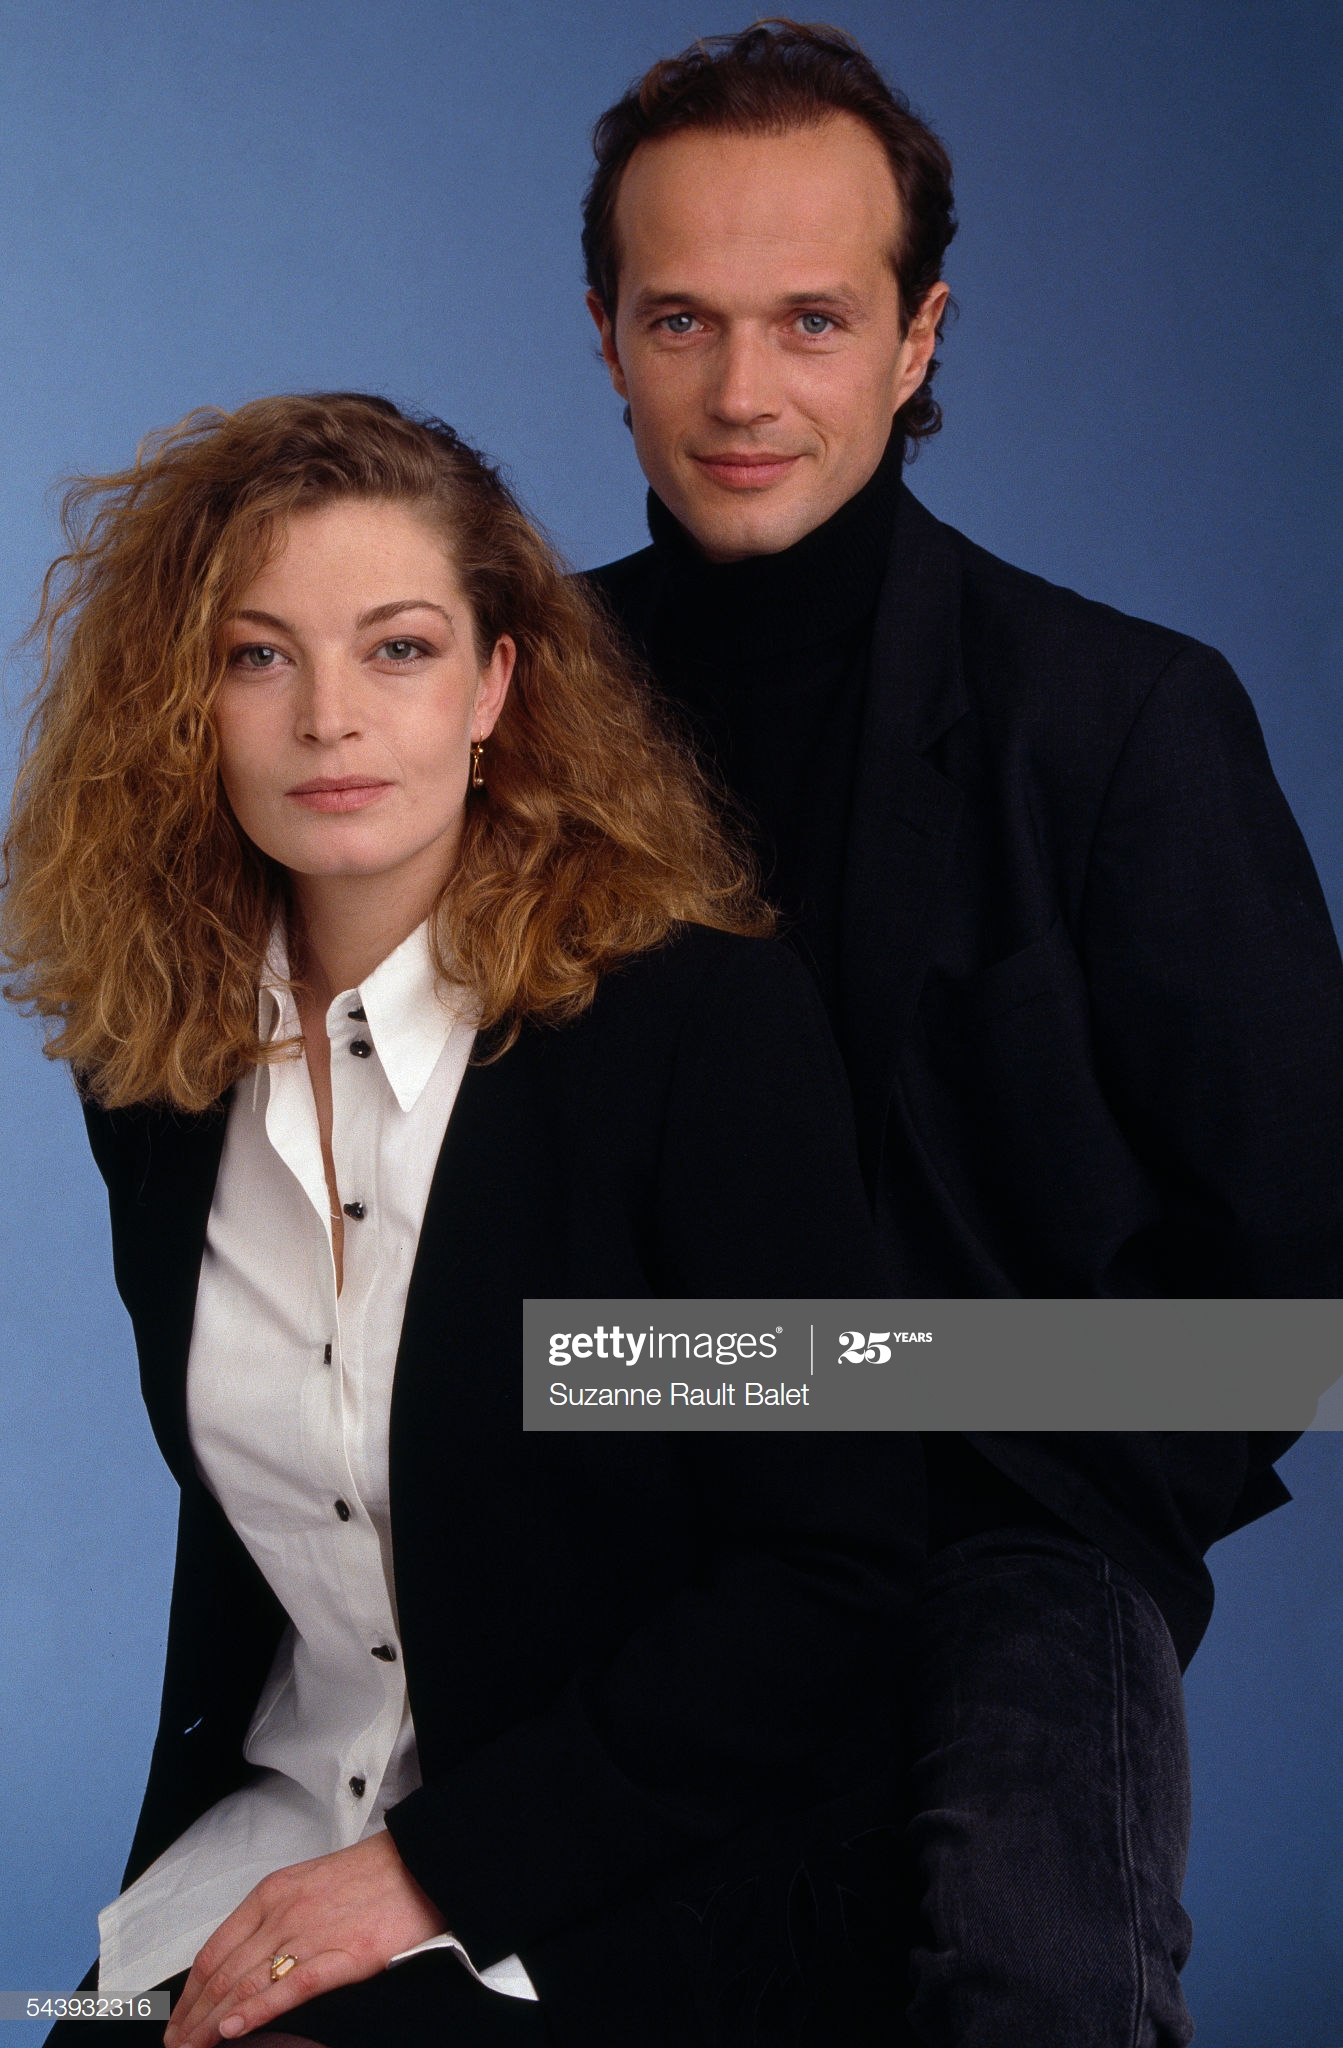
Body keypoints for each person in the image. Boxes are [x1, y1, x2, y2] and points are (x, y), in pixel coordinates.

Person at [578, 20, 1343, 2046]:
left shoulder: (1123, 720)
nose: (744, 392)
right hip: (603, 1524)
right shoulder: (491, 709)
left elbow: (1302, 1289)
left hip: (1006, 1534)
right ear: (606, 339)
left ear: (920, 339)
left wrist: (986, 1446)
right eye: (683, 320)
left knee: (1029, 1970)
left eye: (815, 321)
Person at [1, 391, 925, 2048]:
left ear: (497, 684)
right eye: (258, 656)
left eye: (401, 649)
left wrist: (434, 1868)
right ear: (184, 701)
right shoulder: (158, 1066)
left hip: (625, 1873)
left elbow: (829, 1572)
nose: (329, 719)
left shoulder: (692, 1032)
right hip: (278, 1836)